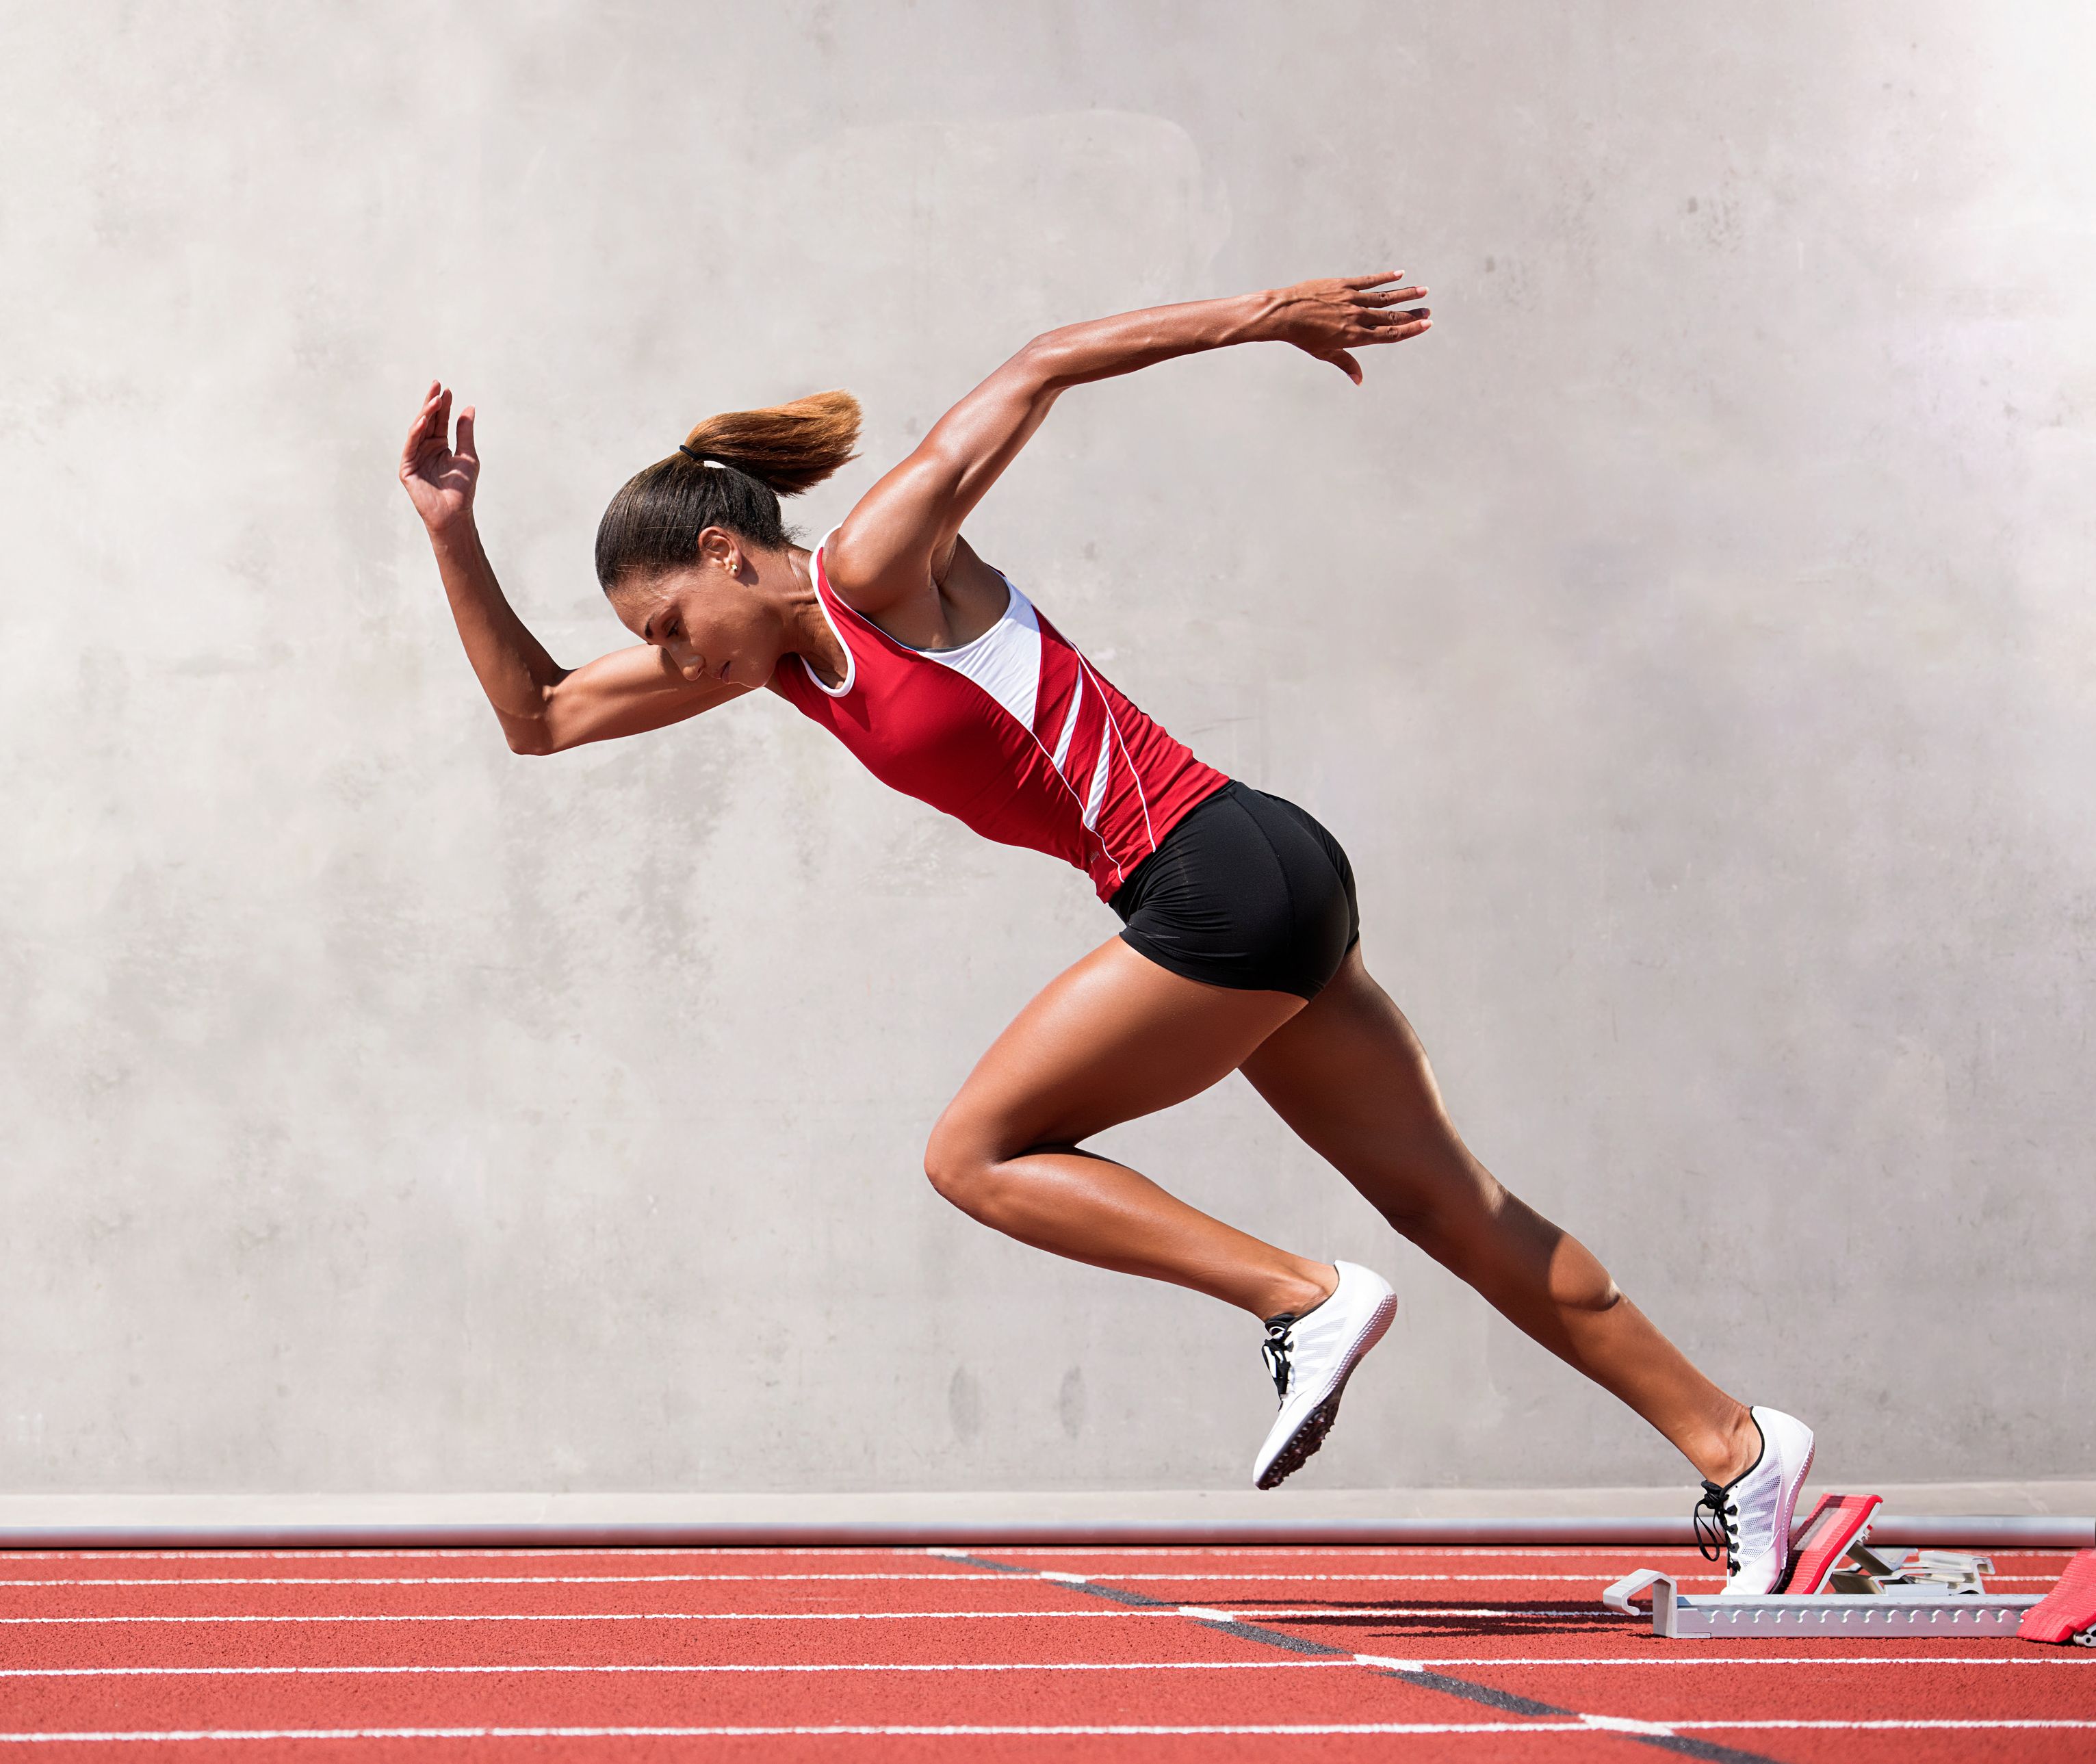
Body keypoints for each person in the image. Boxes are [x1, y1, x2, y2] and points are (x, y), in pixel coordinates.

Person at [397, 274, 1815, 1592]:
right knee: (1450, 1203)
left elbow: (1040, 364)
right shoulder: (773, 667)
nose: (667, 656)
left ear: (726, 552)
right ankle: (1741, 1448)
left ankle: (1303, 1298)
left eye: (667, 621)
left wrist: (1271, 313)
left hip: (1214, 870)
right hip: (1261, 872)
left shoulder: (874, 570)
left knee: (975, 1153)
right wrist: (455, 533)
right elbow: (538, 717)